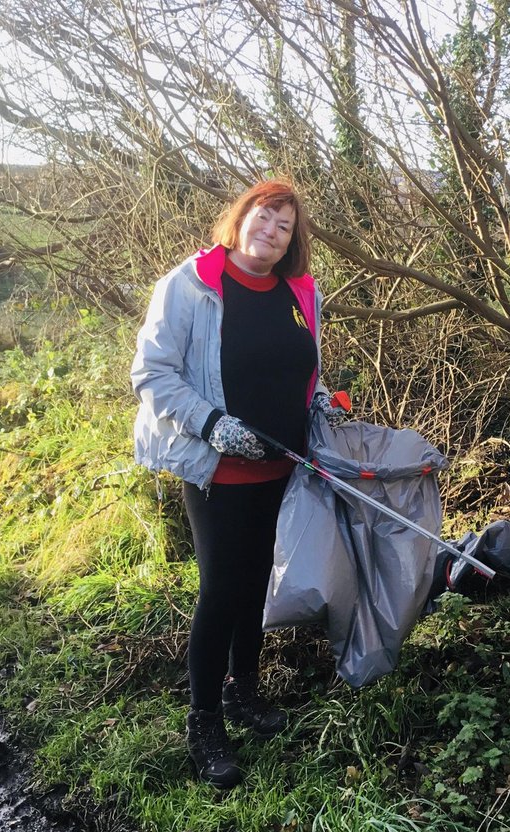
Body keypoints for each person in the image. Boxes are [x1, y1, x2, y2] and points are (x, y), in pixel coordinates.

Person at [131, 180, 343, 789]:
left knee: (255, 585)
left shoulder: (300, 293)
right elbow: (152, 372)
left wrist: (322, 402)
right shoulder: (190, 285)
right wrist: (212, 423)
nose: (271, 230)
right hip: (217, 468)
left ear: (292, 243)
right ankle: (203, 722)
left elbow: (306, 368)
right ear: (241, 217)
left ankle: (242, 692)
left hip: (281, 464)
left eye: (285, 226)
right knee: (222, 590)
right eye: (264, 215)